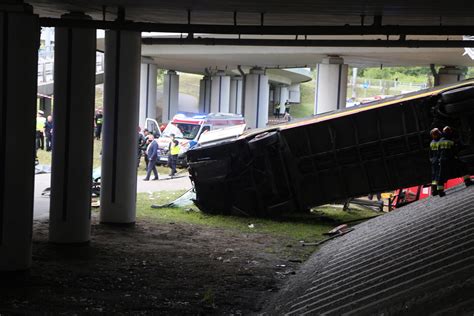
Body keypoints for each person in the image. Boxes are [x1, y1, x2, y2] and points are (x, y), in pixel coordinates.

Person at [437, 126, 472, 196]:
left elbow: (438, 151)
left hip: (442, 160)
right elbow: (455, 150)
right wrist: (464, 146)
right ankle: (467, 181)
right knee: (463, 165)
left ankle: (440, 191)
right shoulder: (451, 141)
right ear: (449, 132)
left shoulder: (440, 141)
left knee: (441, 175)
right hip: (451, 158)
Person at [429, 127, 442, 196]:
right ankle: (438, 190)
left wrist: (431, 160)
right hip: (438, 160)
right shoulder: (440, 142)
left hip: (434, 161)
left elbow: (430, 154)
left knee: (434, 176)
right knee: (439, 175)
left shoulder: (432, 143)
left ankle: (434, 191)